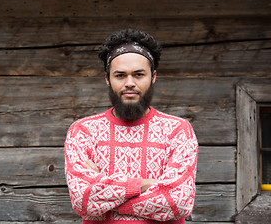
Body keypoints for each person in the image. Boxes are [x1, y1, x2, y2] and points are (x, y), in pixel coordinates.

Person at [64, 28, 198, 223]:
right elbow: (82, 200)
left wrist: (106, 200)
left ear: (153, 77)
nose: (129, 83)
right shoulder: (83, 131)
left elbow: (179, 203)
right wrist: (145, 185)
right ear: (107, 79)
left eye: (138, 75)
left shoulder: (178, 131)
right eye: (120, 76)